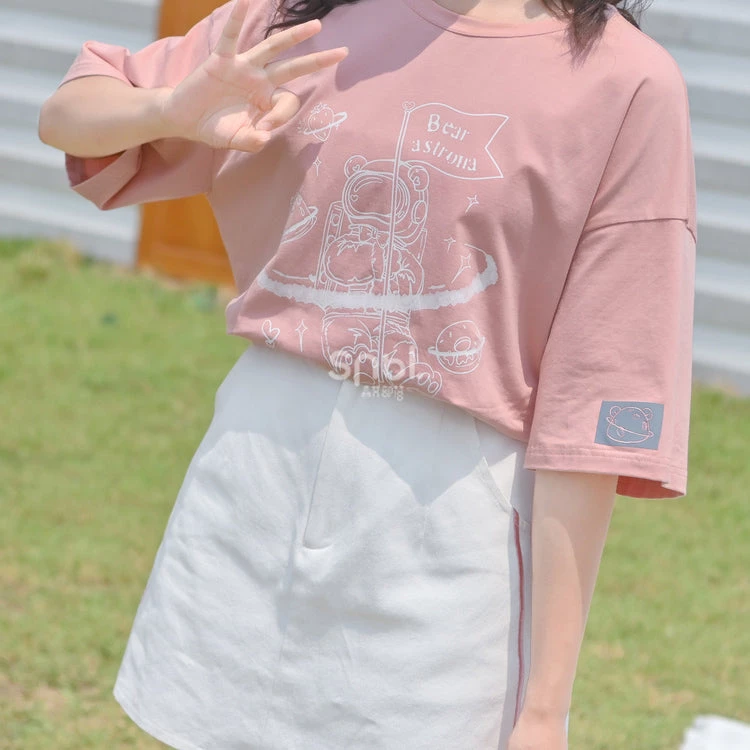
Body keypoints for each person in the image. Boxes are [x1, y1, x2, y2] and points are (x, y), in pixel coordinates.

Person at [38, 0, 697, 747]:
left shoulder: (628, 84)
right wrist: (166, 111)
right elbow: (69, 114)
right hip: (252, 481)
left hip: (447, 532)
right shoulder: (309, 18)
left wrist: (545, 708)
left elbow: (594, 398)